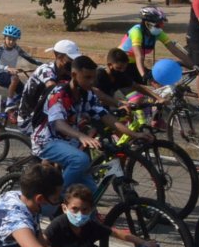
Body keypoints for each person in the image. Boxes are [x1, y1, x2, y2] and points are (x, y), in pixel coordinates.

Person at [30, 55, 149, 192]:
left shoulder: (87, 94)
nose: (92, 82)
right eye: (87, 77)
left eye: (93, 77)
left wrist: (134, 134)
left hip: (69, 143)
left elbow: (106, 117)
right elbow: (59, 124)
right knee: (81, 160)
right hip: (46, 142)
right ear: (74, 75)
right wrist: (82, 136)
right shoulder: (59, 93)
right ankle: (57, 196)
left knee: (90, 192)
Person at [119, 5, 192, 84]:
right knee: (150, 83)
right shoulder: (136, 32)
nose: (161, 27)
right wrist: (143, 75)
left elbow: (173, 49)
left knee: (159, 83)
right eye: (159, 25)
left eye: (162, 24)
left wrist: (192, 64)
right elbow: (139, 56)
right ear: (148, 23)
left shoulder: (157, 32)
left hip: (135, 64)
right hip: (121, 63)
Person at [0, 25, 41, 99]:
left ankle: (15, 103)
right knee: (15, 78)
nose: (11, 42)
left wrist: (44, 64)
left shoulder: (17, 49)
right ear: (4, 37)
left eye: (14, 40)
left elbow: (30, 59)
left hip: (12, 75)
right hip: (0, 75)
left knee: (25, 93)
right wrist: (7, 68)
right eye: (9, 39)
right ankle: (9, 102)